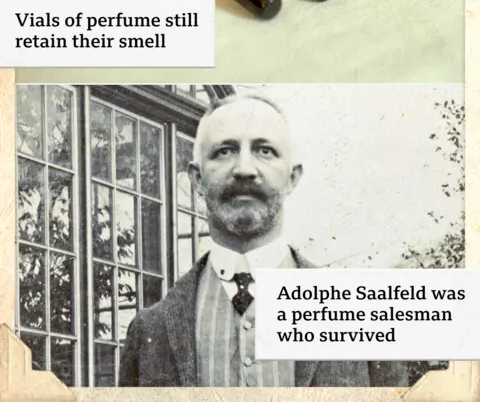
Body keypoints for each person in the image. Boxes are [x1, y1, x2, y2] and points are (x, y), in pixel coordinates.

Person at [119, 93, 408, 387]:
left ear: (292, 177)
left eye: (265, 151)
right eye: (224, 151)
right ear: (197, 179)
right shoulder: (147, 331)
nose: (244, 168)